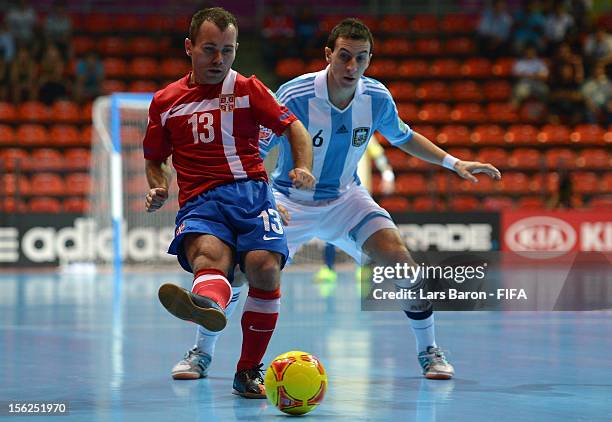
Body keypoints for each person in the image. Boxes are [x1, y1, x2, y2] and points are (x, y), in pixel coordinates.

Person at [171, 18, 501, 382]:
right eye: (344, 56)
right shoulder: (295, 95)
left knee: (403, 264)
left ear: (369, 60)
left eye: (361, 58)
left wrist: (454, 163)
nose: (351, 66)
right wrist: (263, 197)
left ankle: (429, 351)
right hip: (288, 201)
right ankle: (201, 354)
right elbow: (253, 150)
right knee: (238, 276)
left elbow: (403, 136)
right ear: (328, 54)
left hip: (346, 199)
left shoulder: (375, 97)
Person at [144, 7, 315, 398]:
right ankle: (209, 306)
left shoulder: (248, 88)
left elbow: (294, 128)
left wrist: (303, 166)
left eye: (227, 50)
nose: (218, 59)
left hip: (252, 193)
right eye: (209, 49)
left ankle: (245, 368)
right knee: (208, 257)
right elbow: (155, 157)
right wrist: (158, 186)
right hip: (201, 200)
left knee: (265, 268)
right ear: (189, 47)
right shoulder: (166, 102)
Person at [314, 133, 395, 284]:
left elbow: (379, 155)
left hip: (360, 192)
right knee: (330, 229)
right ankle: (328, 269)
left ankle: (362, 267)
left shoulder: (365, 131)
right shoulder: (335, 130)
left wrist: (387, 174)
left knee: (361, 232)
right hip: (336, 190)